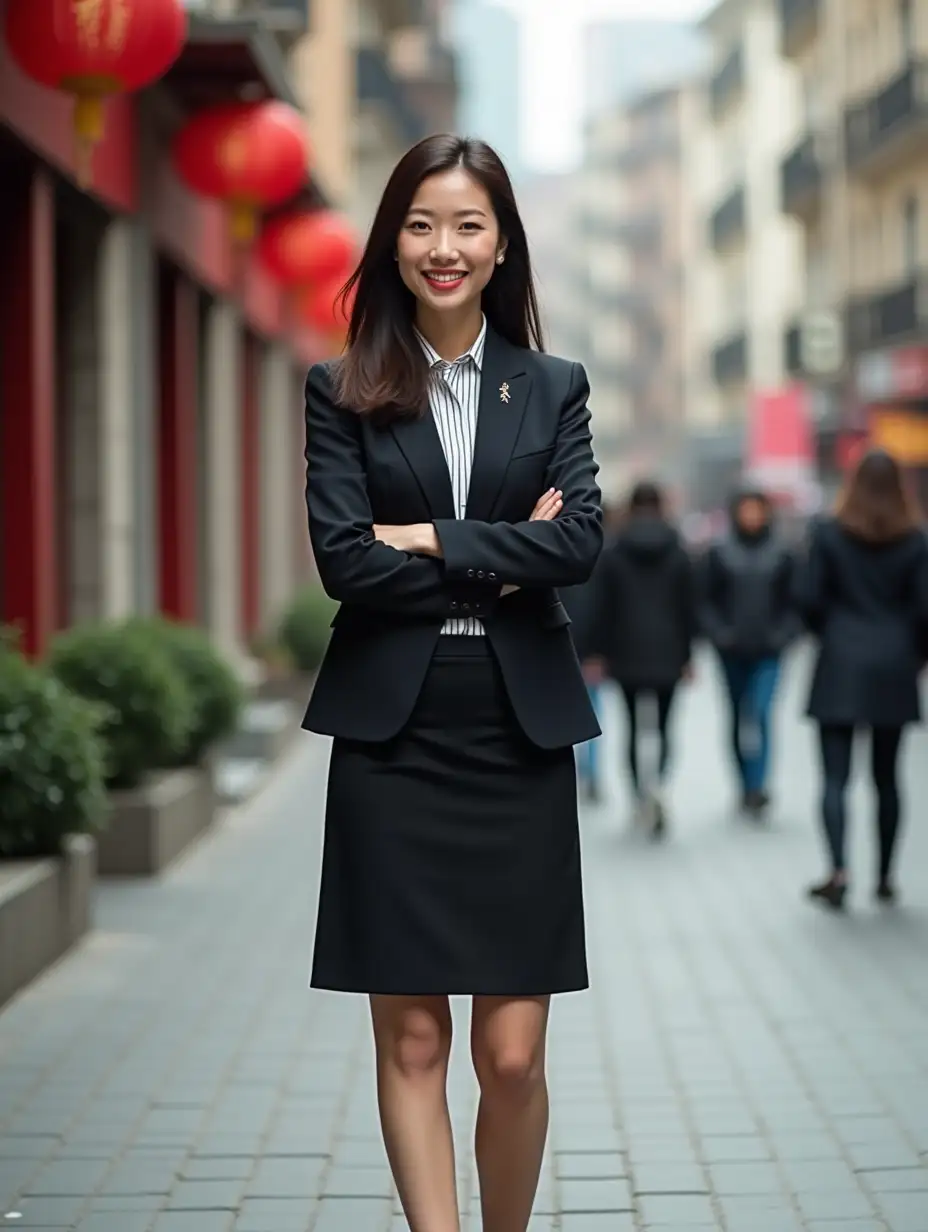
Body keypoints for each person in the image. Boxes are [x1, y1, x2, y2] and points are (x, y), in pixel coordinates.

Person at [302, 134, 602, 1232]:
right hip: (394, 730)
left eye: (467, 224)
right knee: (415, 1036)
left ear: (502, 242)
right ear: (391, 241)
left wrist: (426, 535)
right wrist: (496, 552)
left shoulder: (554, 386)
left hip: (516, 729)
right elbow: (345, 561)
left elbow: (579, 544)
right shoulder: (342, 390)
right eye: (422, 223)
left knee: (512, 1052)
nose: (444, 246)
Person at [794, 449, 928, 910]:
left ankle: (838, 870)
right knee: (888, 778)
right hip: (894, 664)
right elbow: (925, 609)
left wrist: (831, 634)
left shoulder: (829, 534)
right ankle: (886, 875)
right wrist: (916, 655)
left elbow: (809, 598)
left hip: (840, 661)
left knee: (835, 777)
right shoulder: (916, 540)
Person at [590, 480, 696, 836]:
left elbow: (602, 607)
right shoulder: (678, 549)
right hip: (667, 651)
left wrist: (598, 651)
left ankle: (638, 796)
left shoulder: (614, 551)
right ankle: (660, 786)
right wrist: (687, 654)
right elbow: (688, 607)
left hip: (625, 651)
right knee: (665, 727)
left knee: (633, 727)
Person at [699, 486, 800, 816]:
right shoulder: (720, 552)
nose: (752, 516)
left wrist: (783, 635)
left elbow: (795, 602)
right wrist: (719, 634)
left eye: (758, 509)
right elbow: (705, 600)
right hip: (732, 651)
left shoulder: (783, 553)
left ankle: (759, 785)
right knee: (737, 716)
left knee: (760, 712)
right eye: (746, 509)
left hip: (769, 651)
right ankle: (743, 784)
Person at [559, 502, 616, 803]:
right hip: (583, 647)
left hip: (563, 644)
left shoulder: (557, 551)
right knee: (592, 712)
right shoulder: (604, 557)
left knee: (567, 712)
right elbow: (608, 611)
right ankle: (590, 772)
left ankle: (586, 772)